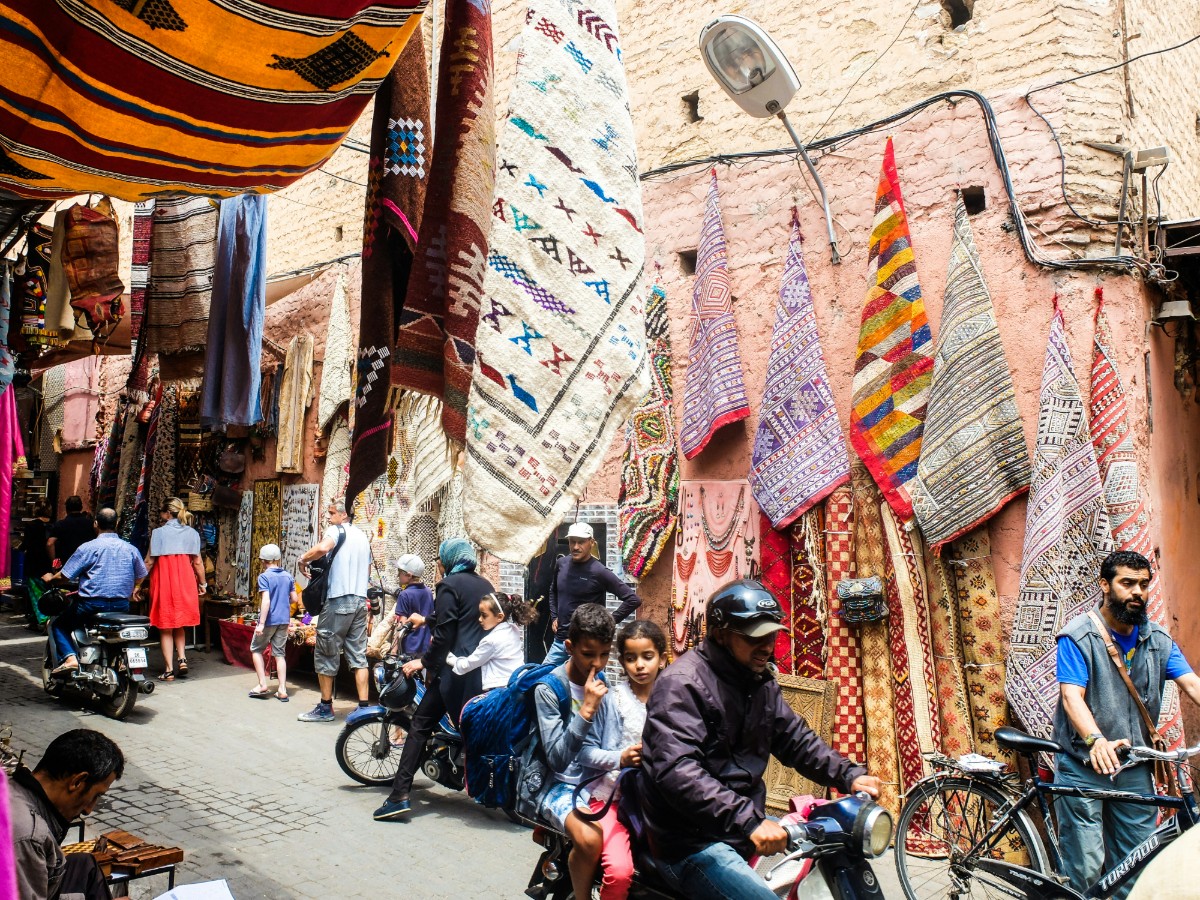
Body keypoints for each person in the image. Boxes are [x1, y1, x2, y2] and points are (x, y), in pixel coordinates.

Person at [639, 579, 880, 900]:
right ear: (720, 633)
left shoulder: (758, 680)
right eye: (755, 636)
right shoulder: (682, 686)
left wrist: (849, 774)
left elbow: (794, 738)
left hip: (736, 823)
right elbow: (678, 772)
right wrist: (749, 820)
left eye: (771, 635)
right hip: (691, 841)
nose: (767, 645)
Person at [1052, 550, 1200, 899]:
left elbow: (1192, 684)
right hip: (1082, 764)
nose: (1137, 592)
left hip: (1133, 764)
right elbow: (1072, 697)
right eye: (1127, 583)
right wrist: (1095, 740)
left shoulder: (1158, 639)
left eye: (1144, 585)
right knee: (1086, 866)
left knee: (1137, 861)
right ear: (1105, 585)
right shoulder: (1078, 637)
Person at [373, 538, 493, 820]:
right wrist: (424, 620)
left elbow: (446, 633)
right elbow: (457, 619)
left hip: (455, 671)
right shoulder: (484, 585)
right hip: (481, 668)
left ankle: (399, 796)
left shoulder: (448, 585)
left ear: (449, 559)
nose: (439, 563)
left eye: (441, 558)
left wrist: (424, 661)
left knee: (419, 725)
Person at [569, 619, 668, 900]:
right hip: (611, 798)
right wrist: (620, 758)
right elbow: (585, 752)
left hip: (658, 800)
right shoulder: (613, 701)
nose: (639, 665)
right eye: (630, 658)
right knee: (620, 872)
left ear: (662, 657)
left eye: (647, 657)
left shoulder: (675, 698)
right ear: (622, 662)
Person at [531, 603, 616, 839]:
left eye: (605, 654)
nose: (597, 663)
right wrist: (586, 710)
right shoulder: (549, 689)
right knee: (591, 839)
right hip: (558, 784)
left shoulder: (602, 681)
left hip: (596, 781)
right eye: (588, 654)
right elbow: (557, 760)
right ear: (569, 647)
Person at [8, 728, 123, 900]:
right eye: (96, 796)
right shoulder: (28, 836)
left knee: (85, 864)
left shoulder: (14, 789)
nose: (88, 810)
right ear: (77, 782)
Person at [43, 508, 147, 675]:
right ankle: (117, 661)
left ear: (96, 524)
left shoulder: (88, 548)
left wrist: (50, 578)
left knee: (57, 624)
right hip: (121, 605)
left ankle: (70, 659)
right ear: (117, 524)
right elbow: (142, 574)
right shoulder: (130, 549)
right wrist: (136, 588)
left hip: (91, 605)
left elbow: (65, 576)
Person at [296, 499, 373, 723]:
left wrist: (302, 559)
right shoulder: (362, 537)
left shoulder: (337, 530)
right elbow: (367, 571)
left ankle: (325, 707)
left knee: (326, 653)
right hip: (359, 601)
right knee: (359, 656)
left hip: (339, 600)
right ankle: (364, 707)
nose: (329, 518)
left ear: (343, 515)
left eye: (331, 513)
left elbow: (322, 548)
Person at [545, 522, 641, 666]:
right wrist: (554, 616)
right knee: (539, 681)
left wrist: (606, 624)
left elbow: (633, 600)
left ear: (591, 543)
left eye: (581, 542)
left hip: (588, 645)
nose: (576, 547)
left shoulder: (599, 571)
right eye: (572, 541)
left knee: (589, 686)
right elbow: (553, 591)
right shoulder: (562, 564)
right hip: (561, 642)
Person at [144, 497, 205, 681]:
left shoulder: (158, 533)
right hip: (185, 582)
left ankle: (169, 670)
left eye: (161, 513)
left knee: (165, 627)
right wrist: (203, 584)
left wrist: (138, 584)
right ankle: (182, 658)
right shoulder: (192, 533)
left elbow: (148, 562)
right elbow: (198, 562)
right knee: (179, 623)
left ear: (167, 513)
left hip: (165, 583)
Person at [445, 592, 537, 691]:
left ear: (499, 617)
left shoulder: (491, 641)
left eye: (484, 615)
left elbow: (466, 665)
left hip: (502, 691)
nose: (480, 619)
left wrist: (447, 656)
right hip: (519, 682)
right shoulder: (513, 629)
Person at [249, 544, 297, 702]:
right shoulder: (288, 576)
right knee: (279, 654)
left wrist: (261, 623)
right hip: (284, 620)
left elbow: (266, 601)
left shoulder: (264, 577)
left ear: (263, 560)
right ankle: (282, 689)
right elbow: (295, 599)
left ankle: (262, 684)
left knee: (256, 649)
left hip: (269, 620)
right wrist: (283, 605)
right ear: (278, 559)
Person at [392, 554, 434, 657]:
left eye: (400, 572)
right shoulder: (428, 592)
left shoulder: (404, 594)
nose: (398, 576)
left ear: (409, 575)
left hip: (408, 647)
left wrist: (393, 651)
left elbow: (401, 624)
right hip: (425, 647)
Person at [46, 496, 93, 569]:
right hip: (86, 564)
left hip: (66, 565)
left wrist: (55, 565)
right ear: (81, 507)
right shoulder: (91, 524)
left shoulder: (61, 524)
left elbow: (50, 543)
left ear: (67, 509)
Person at [20, 502, 53, 585]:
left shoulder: (30, 525)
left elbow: (26, 544)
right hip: (46, 562)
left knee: (33, 590)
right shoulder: (53, 525)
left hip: (33, 563)